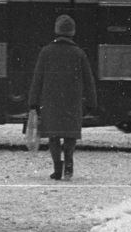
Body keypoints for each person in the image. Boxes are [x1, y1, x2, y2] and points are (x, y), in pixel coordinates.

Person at [28, 15, 98, 181]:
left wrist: (33, 102)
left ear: (56, 30)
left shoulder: (46, 51)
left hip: (50, 101)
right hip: (72, 101)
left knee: (53, 136)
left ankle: (57, 168)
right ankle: (68, 164)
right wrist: (92, 102)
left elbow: (38, 79)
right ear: (72, 32)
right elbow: (88, 80)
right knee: (70, 135)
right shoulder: (79, 53)